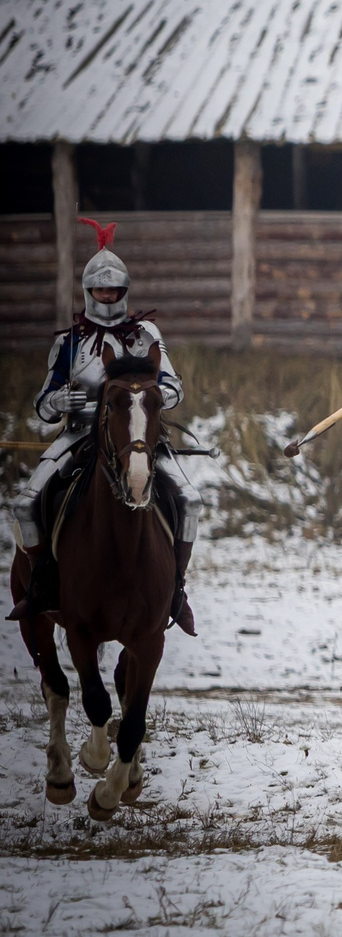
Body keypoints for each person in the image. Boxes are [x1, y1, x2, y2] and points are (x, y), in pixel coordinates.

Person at [9, 219, 196, 634]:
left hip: (138, 435)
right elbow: (42, 404)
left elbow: (173, 384)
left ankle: (176, 591)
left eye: (113, 290)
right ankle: (42, 584)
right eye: (99, 290)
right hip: (79, 434)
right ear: (88, 292)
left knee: (190, 499)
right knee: (24, 504)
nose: (107, 296)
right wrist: (60, 400)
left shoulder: (146, 334)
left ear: (125, 291)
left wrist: (155, 397)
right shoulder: (70, 341)